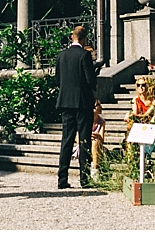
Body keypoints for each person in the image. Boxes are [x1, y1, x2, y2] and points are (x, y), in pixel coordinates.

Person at [55, 25, 97, 190]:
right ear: (84, 39)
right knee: (84, 141)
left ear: (72, 37)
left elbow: (57, 79)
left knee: (66, 140)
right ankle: (84, 179)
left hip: (65, 102)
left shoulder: (62, 55)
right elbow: (90, 81)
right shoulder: (84, 55)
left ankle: (62, 178)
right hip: (82, 103)